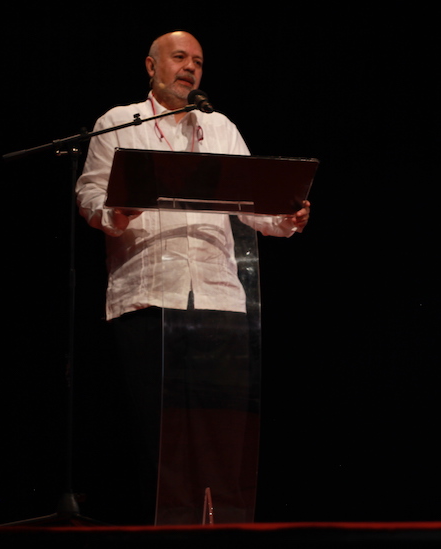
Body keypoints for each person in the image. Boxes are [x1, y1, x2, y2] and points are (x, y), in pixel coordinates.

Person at [75, 30, 311, 524]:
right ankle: (162, 529)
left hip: (220, 299)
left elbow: (255, 203)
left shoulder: (220, 127)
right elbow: (90, 196)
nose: (190, 68)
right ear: (150, 65)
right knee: (159, 436)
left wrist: (286, 217)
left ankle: (221, 525)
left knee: (220, 433)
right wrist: (118, 211)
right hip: (147, 296)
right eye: (179, 58)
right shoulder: (117, 124)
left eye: (198, 62)